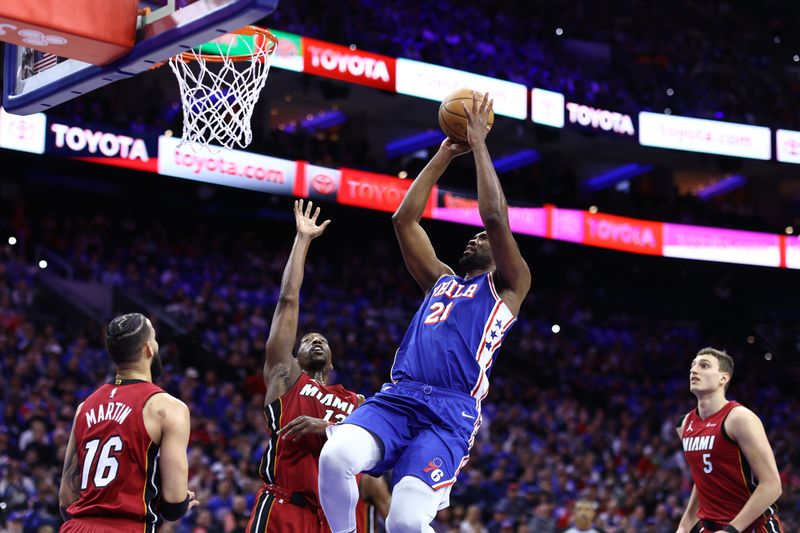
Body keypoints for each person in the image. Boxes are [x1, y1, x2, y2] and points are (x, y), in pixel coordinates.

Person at [319, 92, 531, 533]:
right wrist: (443, 154)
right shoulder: (441, 280)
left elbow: (493, 215)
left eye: (483, 238)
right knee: (336, 455)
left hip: (450, 413)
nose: (474, 238)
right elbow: (404, 220)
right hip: (400, 395)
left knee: (405, 523)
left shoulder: (510, 284)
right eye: (472, 236)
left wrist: (479, 143)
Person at [246, 200, 387, 533]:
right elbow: (288, 300)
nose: (317, 342)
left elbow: (378, 454)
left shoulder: (358, 402)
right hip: (285, 507)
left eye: (323, 341)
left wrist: (326, 428)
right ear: (294, 358)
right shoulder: (287, 378)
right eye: (308, 340)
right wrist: (303, 239)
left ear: (333, 360)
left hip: (333, 520)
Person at [59, 313, 198, 532]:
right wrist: (180, 503)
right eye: (154, 337)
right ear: (148, 348)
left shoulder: (83, 408)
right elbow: (173, 503)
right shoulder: (167, 408)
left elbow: (66, 499)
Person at [675, 347, 783, 533]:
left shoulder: (739, 418)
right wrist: (684, 526)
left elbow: (772, 485)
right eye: (693, 365)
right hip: (711, 527)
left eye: (704, 365)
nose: (694, 370)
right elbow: (702, 480)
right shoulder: (684, 424)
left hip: (753, 527)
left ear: (723, 378)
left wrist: (732, 530)